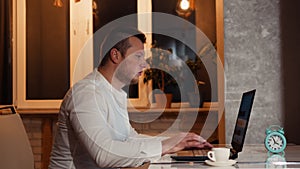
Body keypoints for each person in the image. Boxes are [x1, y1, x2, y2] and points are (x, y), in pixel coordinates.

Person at [49, 27, 212, 169]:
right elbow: (103, 154)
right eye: (138, 56)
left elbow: (129, 138)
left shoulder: (113, 92)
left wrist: (177, 141)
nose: (145, 65)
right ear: (115, 55)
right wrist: (165, 146)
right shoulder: (86, 94)